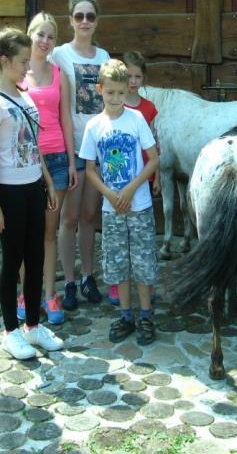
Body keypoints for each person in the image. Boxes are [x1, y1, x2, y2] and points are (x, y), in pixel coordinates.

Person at [0, 27, 65, 360]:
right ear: (4, 61)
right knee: (12, 261)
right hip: (9, 191)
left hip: (33, 186)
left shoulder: (24, 95)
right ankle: (9, 331)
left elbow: (34, 144)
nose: (27, 67)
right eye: (22, 61)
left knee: (36, 258)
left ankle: (33, 325)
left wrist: (45, 181)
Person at [78, 59, 159, 345]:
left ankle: (146, 314)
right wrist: (111, 194)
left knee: (143, 260)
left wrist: (131, 189)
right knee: (118, 262)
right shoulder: (94, 126)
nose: (115, 99)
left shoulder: (136, 120)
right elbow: (90, 169)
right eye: (110, 92)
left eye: (121, 93)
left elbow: (153, 159)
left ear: (128, 91)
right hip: (111, 208)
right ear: (100, 89)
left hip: (138, 205)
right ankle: (126, 315)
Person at [15, 12, 77, 325]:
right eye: (40, 34)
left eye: (50, 36)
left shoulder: (58, 75)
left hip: (56, 159)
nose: (45, 41)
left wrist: (69, 159)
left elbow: (65, 118)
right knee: (27, 233)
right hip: (25, 161)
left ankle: (50, 293)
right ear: (29, 35)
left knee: (48, 233)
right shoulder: (18, 75)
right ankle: (27, 293)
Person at [51, 0, 110, 311]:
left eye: (90, 16)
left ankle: (89, 277)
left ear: (97, 20)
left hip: (97, 149)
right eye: (78, 16)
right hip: (70, 147)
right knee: (69, 217)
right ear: (70, 20)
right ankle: (69, 280)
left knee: (90, 215)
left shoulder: (104, 56)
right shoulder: (59, 55)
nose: (84, 21)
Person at [107, 50, 161, 306]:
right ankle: (120, 286)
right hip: (118, 180)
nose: (132, 81)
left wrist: (157, 177)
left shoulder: (148, 109)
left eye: (137, 76)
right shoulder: (115, 106)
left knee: (142, 239)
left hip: (143, 176)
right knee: (119, 238)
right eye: (128, 76)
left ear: (143, 79)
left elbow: (155, 146)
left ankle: (145, 284)